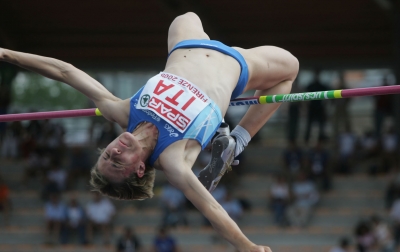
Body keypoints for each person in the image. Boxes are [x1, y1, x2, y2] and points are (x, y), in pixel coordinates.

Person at [0, 12, 299, 251]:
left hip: (186, 47)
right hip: (237, 66)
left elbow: (66, 72)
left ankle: (224, 130)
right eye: (118, 162)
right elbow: (211, 209)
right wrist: (247, 247)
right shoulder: (174, 161)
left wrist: (6, 55)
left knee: (186, 15)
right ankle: (238, 140)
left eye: (107, 154)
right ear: (140, 169)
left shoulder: (123, 112)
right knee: (290, 69)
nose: (114, 150)